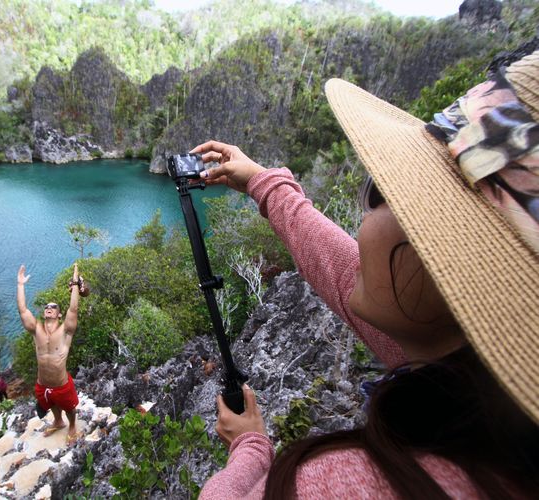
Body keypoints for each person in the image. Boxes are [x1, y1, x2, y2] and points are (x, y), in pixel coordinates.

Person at [198, 50, 539, 498]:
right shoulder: (494, 413)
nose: (365, 216)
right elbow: (343, 271)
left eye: (381, 195)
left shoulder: (351, 483)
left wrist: (250, 449)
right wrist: (262, 182)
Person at [17, 262, 85, 444]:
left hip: (61, 383)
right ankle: (58, 420)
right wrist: (20, 285)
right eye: (47, 306)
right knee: (52, 404)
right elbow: (23, 310)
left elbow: (74, 309)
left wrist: (76, 285)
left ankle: (71, 425)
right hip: (42, 384)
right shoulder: (36, 329)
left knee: (69, 407)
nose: (49, 307)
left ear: (59, 315)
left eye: (54, 307)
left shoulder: (65, 331)